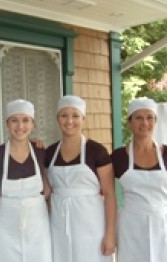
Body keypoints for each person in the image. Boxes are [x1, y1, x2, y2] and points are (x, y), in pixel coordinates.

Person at [111, 97, 167, 262]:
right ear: (129, 122)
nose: (144, 123)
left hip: (164, 225)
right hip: (130, 226)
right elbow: (102, 189)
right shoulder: (118, 157)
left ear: (155, 121)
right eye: (138, 117)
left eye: (149, 117)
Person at [45, 95, 116, 262]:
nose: (70, 121)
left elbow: (110, 195)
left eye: (75, 116)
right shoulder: (49, 152)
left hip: (91, 224)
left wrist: (110, 234)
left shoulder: (97, 151)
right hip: (59, 223)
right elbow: (45, 191)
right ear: (57, 119)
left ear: (83, 119)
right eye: (64, 115)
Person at [0, 99, 52, 262]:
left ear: (33, 124)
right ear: (7, 124)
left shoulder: (40, 152)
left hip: (38, 225)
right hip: (6, 227)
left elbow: (48, 188)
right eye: (14, 120)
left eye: (25, 120)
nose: (20, 126)